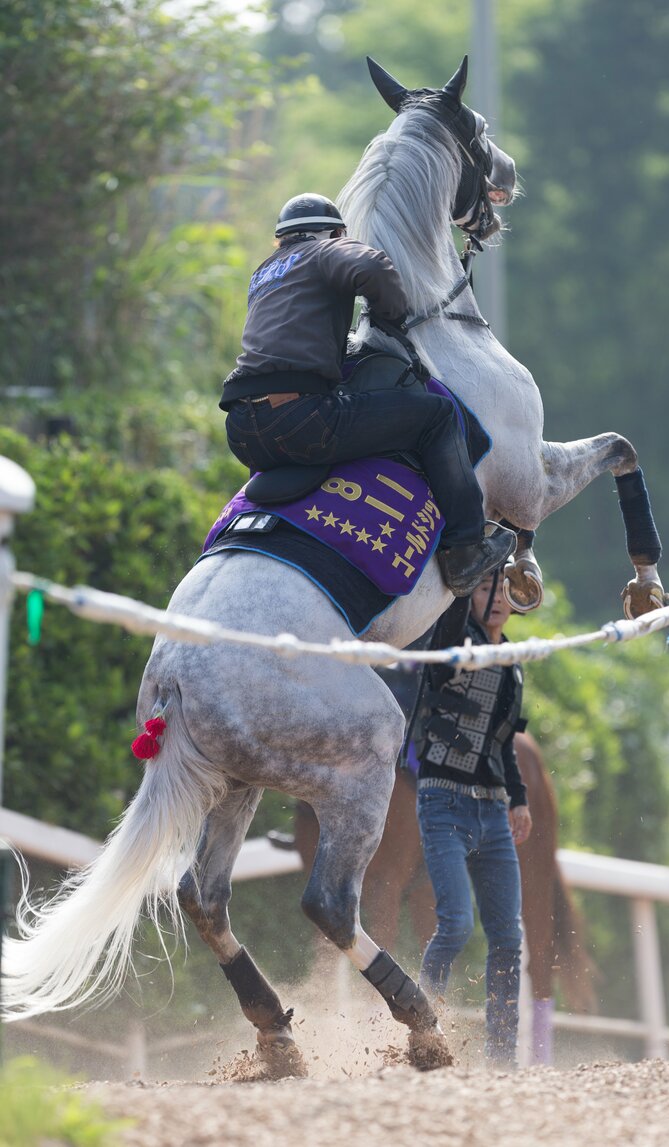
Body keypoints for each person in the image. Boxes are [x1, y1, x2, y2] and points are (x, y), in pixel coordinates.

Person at [220, 192, 515, 597]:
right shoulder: (322, 250)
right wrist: (389, 314)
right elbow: (372, 266)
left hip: (242, 432)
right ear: (332, 234)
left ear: (281, 239)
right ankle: (466, 548)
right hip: (303, 419)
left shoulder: (265, 272)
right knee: (437, 417)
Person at [414, 576, 532, 1066]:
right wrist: (464, 591)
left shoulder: (513, 663)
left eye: (505, 591)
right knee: (457, 924)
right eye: (487, 589)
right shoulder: (452, 643)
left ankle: (502, 1057)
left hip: (493, 810)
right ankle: (420, 1031)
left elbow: (503, 741)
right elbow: (451, 625)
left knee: (508, 935)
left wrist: (519, 799)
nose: (499, 599)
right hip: (443, 803)